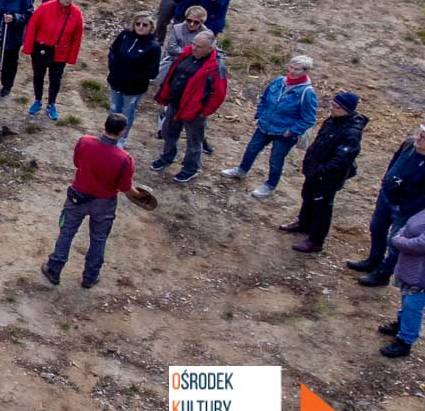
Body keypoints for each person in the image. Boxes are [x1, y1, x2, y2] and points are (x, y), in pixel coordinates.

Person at [348, 123, 425, 287]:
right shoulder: (409, 144)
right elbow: (393, 162)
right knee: (376, 228)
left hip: (404, 209)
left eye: (424, 138)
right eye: (420, 134)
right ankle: (373, 260)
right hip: (386, 198)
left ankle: (383, 274)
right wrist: (385, 184)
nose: (419, 139)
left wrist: (404, 208)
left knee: (395, 243)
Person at [42, 113, 135, 288]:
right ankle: (90, 277)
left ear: (104, 124)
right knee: (98, 240)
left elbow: (77, 163)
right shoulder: (125, 159)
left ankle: (54, 269)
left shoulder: (84, 142)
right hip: (104, 204)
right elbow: (124, 187)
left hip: (78, 197)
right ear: (122, 132)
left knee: (66, 232)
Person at [279, 93, 367, 254]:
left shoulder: (351, 133)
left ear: (347, 110)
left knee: (322, 208)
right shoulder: (332, 120)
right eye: (332, 105)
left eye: (337, 107)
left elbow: (342, 160)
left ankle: (316, 241)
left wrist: (322, 172)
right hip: (314, 171)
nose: (332, 109)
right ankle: (304, 223)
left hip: (327, 178)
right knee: (307, 196)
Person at [222, 55, 320, 199]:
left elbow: (309, 119)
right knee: (251, 149)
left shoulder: (307, 93)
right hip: (265, 125)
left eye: (297, 69)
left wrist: (291, 131)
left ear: (305, 72)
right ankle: (242, 170)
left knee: (276, 160)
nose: (292, 71)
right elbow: (264, 98)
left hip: (284, 133)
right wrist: (260, 114)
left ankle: (270, 186)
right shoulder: (279, 81)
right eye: (291, 67)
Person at [379, 183, 425, 358]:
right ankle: (402, 324)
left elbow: (422, 244)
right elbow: (410, 223)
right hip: (413, 266)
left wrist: (398, 241)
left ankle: (405, 341)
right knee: (406, 298)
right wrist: (401, 234)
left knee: (413, 304)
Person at [150, 30, 229, 184]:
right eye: (193, 44)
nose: (194, 48)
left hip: (194, 111)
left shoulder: (215, 67)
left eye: (199, 46)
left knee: (194, 142)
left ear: (209, 49)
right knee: (168, 132)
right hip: (175, 103)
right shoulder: (186, 54)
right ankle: (166, 157)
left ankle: (190, 169)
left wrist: (203, 112)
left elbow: (219, 94)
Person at [23, 0, 84, 120]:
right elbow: (32, 27)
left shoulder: (76, 13)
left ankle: (51, 104)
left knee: (55, 79)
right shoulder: (45, 8)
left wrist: (72, 57)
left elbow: (77, 37)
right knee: (38, 75)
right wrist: (28, 48)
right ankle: (38, 100)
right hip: (41, 49)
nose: (68, 0)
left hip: (60, 52)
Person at [105, 12, 163, 146]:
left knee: (127, 113)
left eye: (145, 25)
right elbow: (113, 51)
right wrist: (113, 67)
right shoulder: (125, 35)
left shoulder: (153, 47)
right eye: (138, 24)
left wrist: (132, 76)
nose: (141, 27)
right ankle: (110, 135)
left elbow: (153, 72)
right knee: (114, 110)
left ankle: (121, 139)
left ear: (151, 27)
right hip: (116, 81)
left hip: (133, 88)